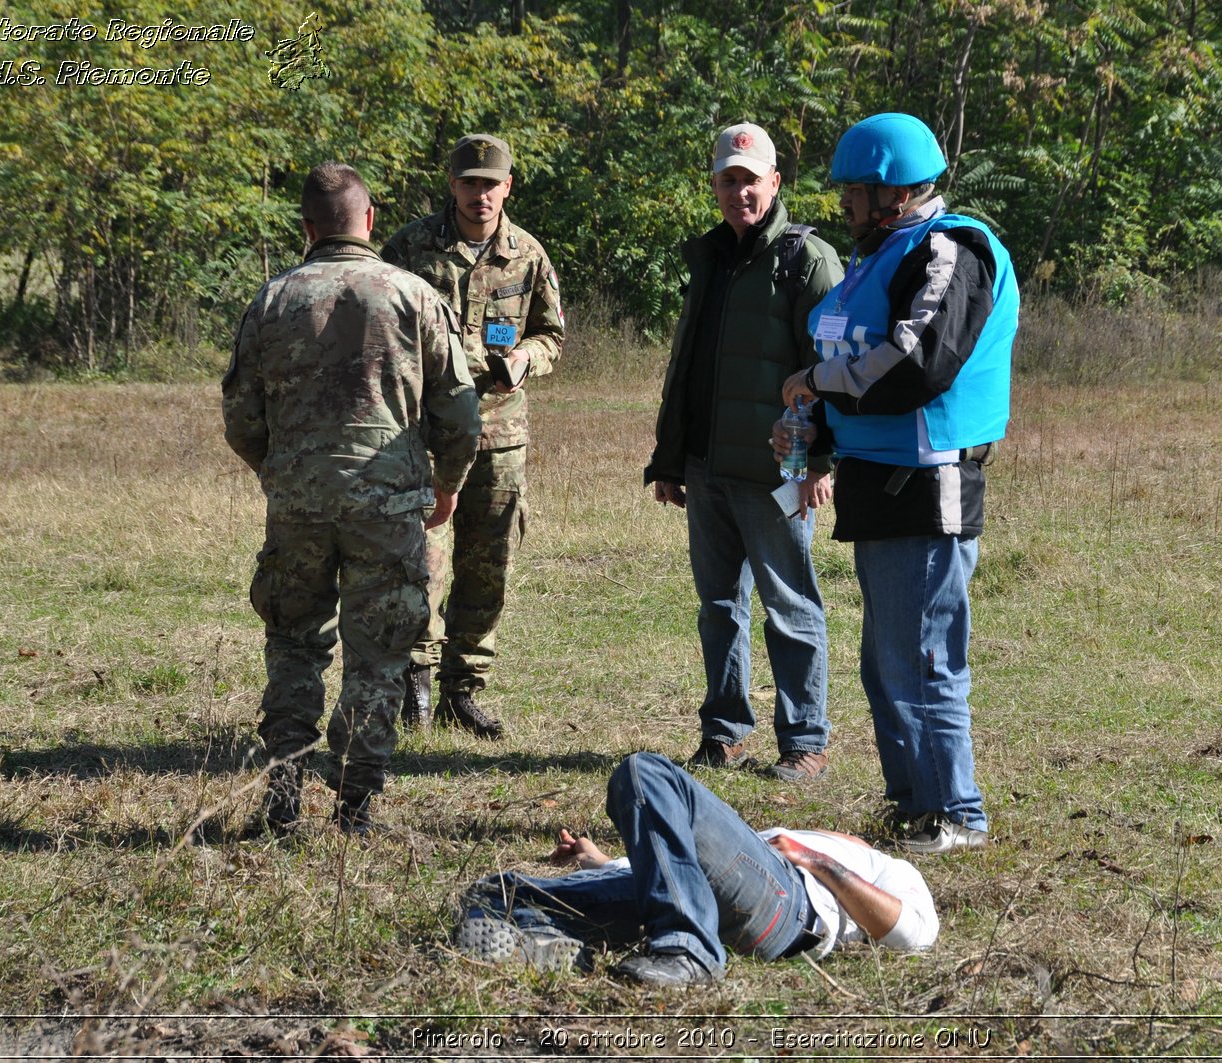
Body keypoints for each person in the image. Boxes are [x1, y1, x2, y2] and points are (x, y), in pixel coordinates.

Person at [778, 113, 1018, 854]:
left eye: (854, 188)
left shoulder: (948, 250)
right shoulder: (875, 255)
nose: (843, 202)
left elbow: (916, 363)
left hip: (927, 483)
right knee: (885, 662)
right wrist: (811, 432)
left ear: (892, 190)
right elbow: (855, 357)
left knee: (924, 656)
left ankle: (957, 812)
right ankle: (914, 803)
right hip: (875, 480)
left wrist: (818, 381)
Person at [224, 162, 481, 834]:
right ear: (370, 221)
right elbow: (460, 413)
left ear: (307, 228)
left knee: (293, 644)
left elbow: (240, 416)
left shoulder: (273, 299)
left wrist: (282, 473)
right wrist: (446, 486)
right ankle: (355, 805)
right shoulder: (414, 296)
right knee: (381, 653)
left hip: (299, 503)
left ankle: (282, 795)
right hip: (390, 505)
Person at [645, 123, 843, 783]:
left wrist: (822, 463)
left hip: (776, 475)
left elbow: (836, 369)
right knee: (720, 609)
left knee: (790, 605)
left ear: (775, 182)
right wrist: (671, 463)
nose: (740, 192)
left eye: (750, 179)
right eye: (728, 180)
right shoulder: (709, 257)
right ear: (716, 186)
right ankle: (724, 734)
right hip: (706, 470)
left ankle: (805, 742)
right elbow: (688, 368)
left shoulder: (807, 260)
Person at [455, 752, 938, 985]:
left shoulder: (883, 865)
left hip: (788, 908)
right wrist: (598, 861)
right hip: (703, 893)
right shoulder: (769, 840)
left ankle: (690, 951)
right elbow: (673, 867)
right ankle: (558, 950)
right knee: (496, 893)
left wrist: (818, 861)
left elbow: (914, 935)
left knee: (644, 773)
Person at [383, 134, 565, 740]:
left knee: (489, 563)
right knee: (420, 563)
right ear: (452, 184)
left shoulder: (528, 254)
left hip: (499, 434)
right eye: (469, 182)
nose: (480, 195)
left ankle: (465, 686)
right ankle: (416, 681)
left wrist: (525, 359)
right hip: (425, 434)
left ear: (508, 186)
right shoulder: (409, 247)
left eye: (491, 183)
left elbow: (552, 335)